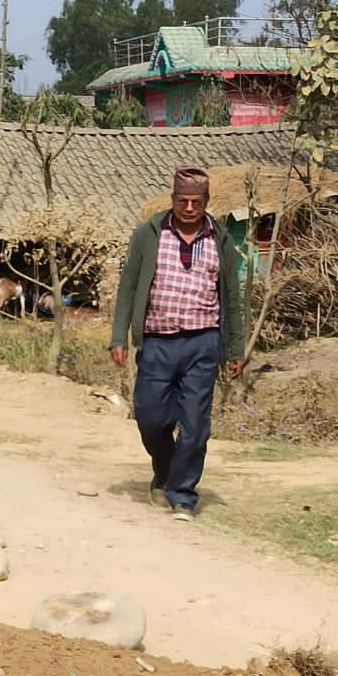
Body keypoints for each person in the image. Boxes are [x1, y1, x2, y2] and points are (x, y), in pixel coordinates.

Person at [108, 165, 244, 522]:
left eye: (195, 202)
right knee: (152, 419)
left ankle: (183, 494)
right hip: (157, 343)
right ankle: (166, 471)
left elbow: (233, 296)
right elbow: (128, 287)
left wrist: (235, 349)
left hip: (203, 343)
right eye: (182, 201)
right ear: (172, 201)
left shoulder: (221, 239)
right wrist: (118, 335)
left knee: (196, 427)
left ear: (206, 203)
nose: (188, 208)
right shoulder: (148, 235)